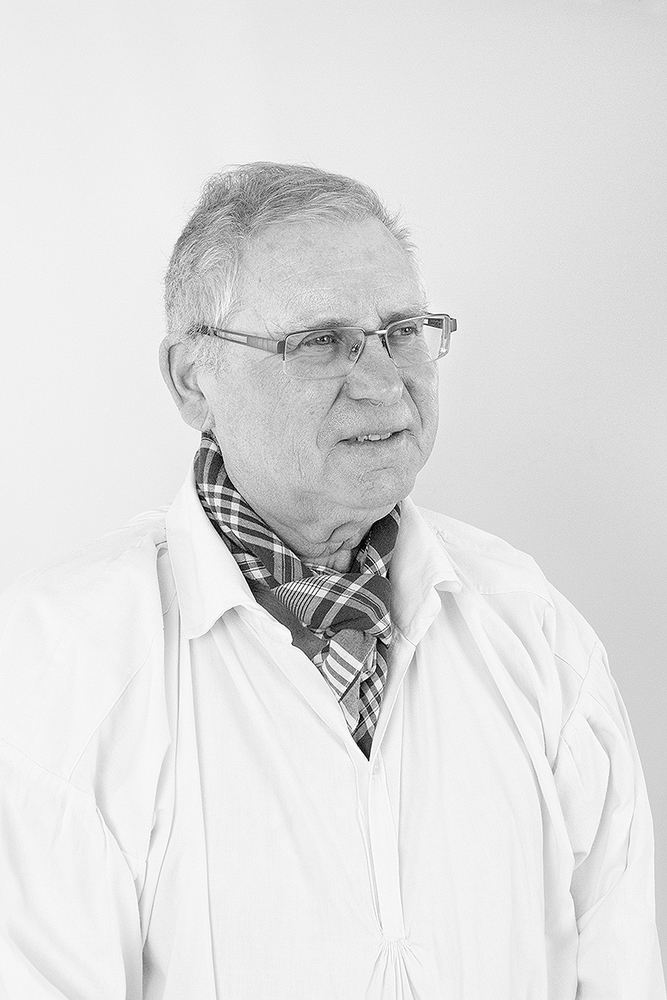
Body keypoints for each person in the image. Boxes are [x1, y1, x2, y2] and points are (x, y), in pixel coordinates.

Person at [0, 162, 664, 1000]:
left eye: (403, 331)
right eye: (319, 341)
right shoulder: (56, 662)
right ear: (192, 380)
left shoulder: (531, 624)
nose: (384, 383)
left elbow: (620, 969)